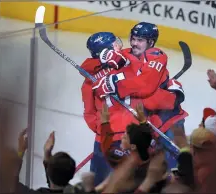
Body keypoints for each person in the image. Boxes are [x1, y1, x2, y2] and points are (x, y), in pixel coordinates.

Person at [92, 22, 188, 169]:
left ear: (151, 42)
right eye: (133, 38)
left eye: (140, 40)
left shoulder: (157, 56)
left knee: (174, 166)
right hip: (148, 122)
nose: (134, 43)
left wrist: (115, 85)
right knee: (150, 167)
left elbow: (145, 86)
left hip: (169, 119)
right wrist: (106, 57)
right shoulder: (127, 53)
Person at [81, 31, 146, 186]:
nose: (119, 45)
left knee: (97, 184)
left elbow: (90, 115)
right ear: (106, 51)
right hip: (131, 136)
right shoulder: (130, 66)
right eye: (114, 44)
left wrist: (103, 131)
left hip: (105, 138)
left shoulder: (89, 81)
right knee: (131, 183)